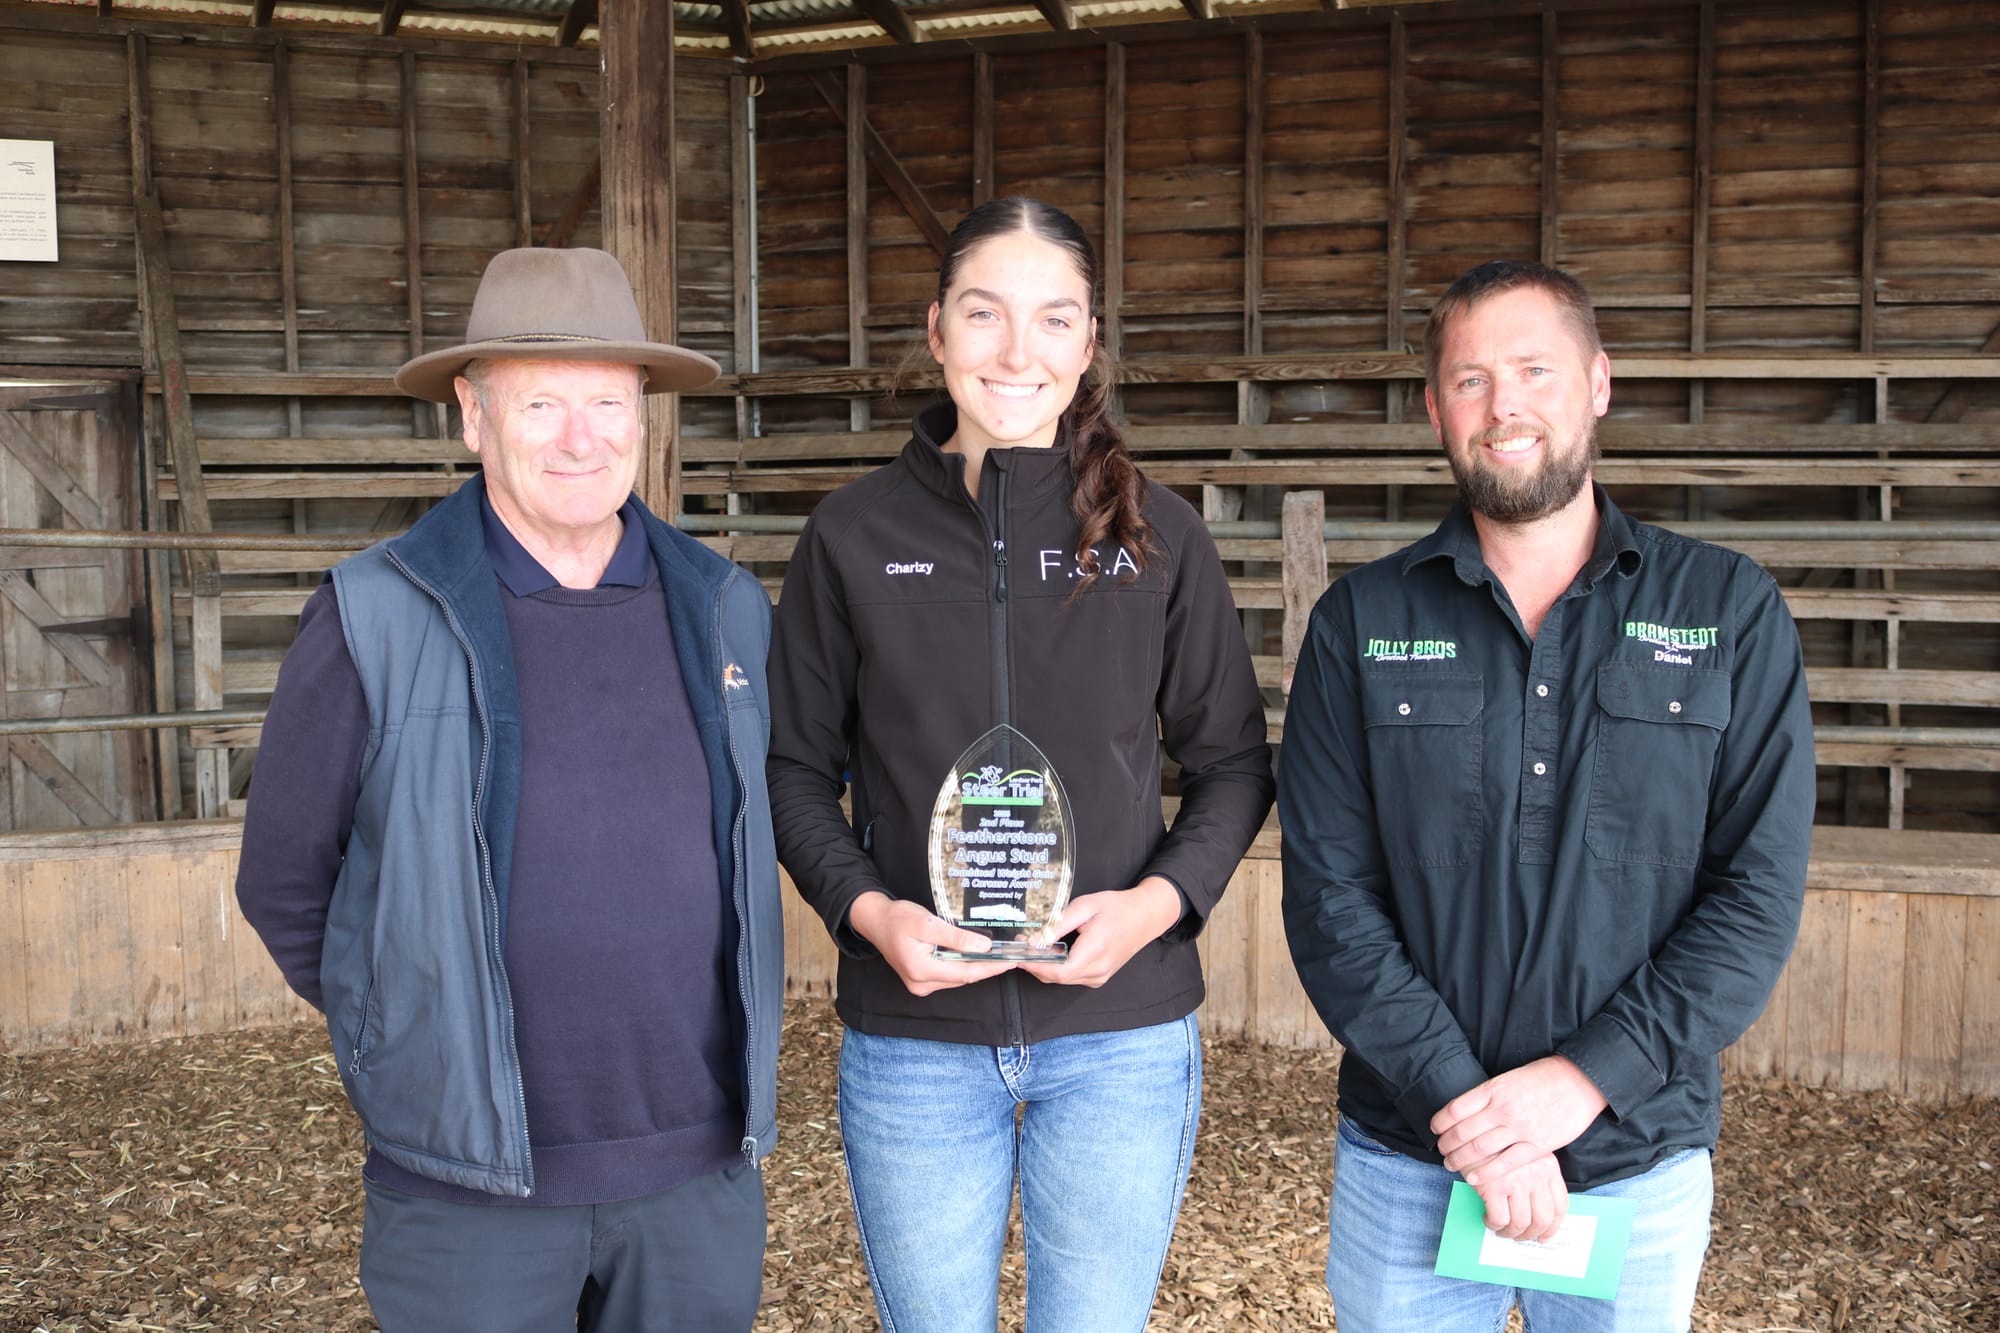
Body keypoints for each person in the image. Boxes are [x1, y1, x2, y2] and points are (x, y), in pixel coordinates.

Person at [235, 246, 783, 1333]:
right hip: (468, 1195)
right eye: (539, 401)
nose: (580, 436)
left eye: (606, 401)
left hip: (693, 1173)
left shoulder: (723, 605)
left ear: (643, 415)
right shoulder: (376, 613)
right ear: (472, 415)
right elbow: (285, 879)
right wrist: (403, 1029)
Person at [767, 196, 1274, 1333]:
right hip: (914, 1040)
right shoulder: (849, 536)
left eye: (1053, 320)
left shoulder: (1156, 538)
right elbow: (795, 770)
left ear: (1087, 343)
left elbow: (1233, 764)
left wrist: (1152, 907)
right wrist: (867, 915)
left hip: (1118, 1037)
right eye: (984, 314)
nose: (1015, 351)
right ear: (936, 328)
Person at [1279, 259, 1816, 1332]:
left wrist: (1576, 1083)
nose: (1503, 405)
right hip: (1411, 1157)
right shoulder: (1359, 618)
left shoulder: (1725, 606)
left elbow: (1754, 894)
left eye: (1533, 369)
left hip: (1632, 1156)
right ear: (1433, 407)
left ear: (1597, 382)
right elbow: (1330, 899)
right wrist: (1467, 1111)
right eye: (1469, 379)